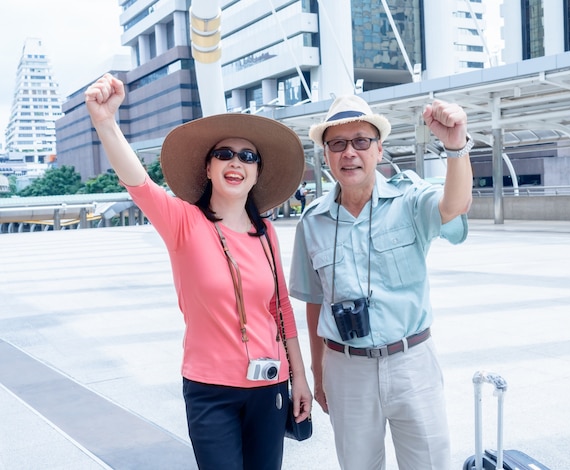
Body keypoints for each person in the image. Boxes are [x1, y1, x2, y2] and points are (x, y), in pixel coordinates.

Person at [85, 73, 312, 470]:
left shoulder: (267, 233)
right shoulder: (184, 222)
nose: (235, 162)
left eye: (248, 156)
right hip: (211, 391)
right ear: (208, 168)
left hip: (270, 386)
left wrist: (300, 378)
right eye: (224, 154)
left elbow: (280, 309)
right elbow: (138, 183)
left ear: (257, 173)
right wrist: (106, 122)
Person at [289, 94, 473, 470]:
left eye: (360, 141)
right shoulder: (313, 221)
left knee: (430, 464)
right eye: (337, 144)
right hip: (346, 367)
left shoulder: (409, 199)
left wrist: (456, 148)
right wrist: (318, 371)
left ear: (378, 149)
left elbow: (453, 206)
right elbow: (315, 300)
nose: (349, 152)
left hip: (411, 362)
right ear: (326, 155)